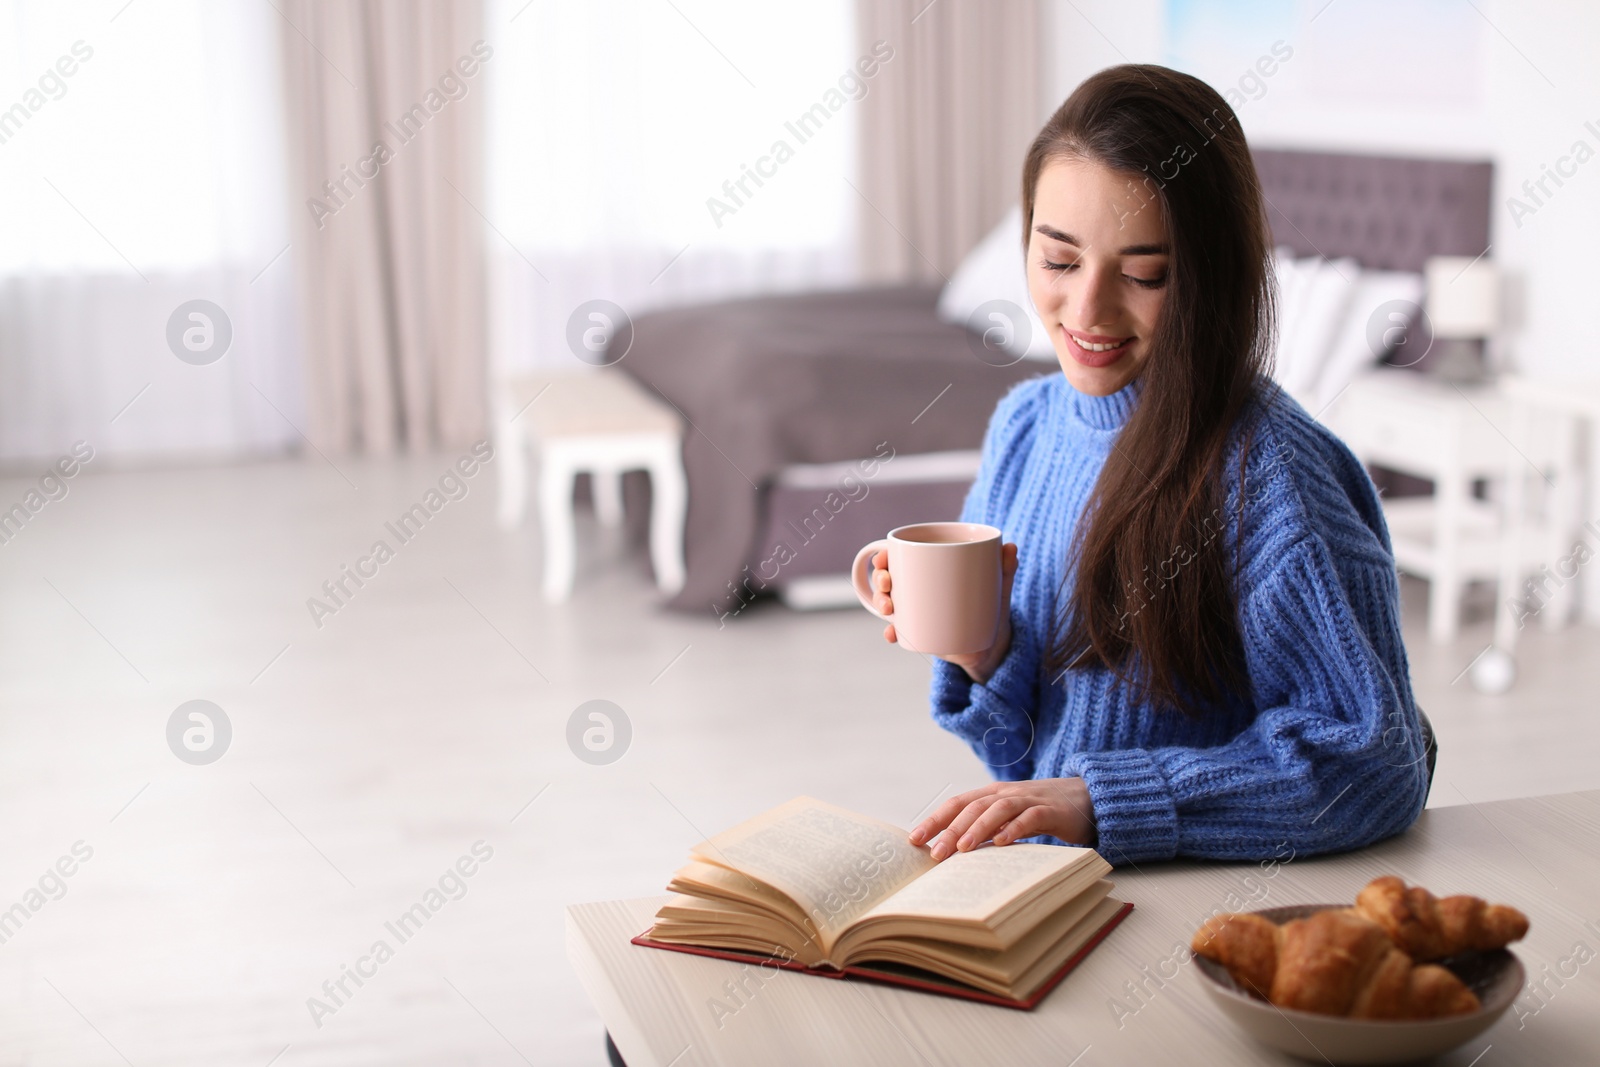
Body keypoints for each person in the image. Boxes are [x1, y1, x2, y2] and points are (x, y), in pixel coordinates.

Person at [869, 64, 1430, 866]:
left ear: (1211, 275)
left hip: (1197, 916)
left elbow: (1376, 769)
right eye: (1059, 261)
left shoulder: (1273, 476)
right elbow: (1026, 757)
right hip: (1066, 885)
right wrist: (984, 650)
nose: (1088, 311)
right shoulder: (1026, 427)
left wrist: (1103, 799)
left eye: (1143, 274)